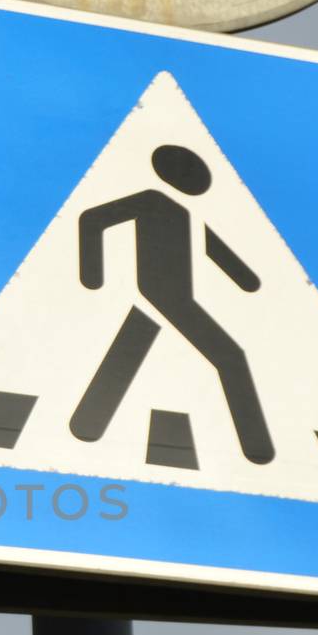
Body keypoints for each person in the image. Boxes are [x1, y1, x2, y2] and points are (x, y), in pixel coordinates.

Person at [74, 144, 274, 465]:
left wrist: (248, 281)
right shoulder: (151, 200)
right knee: (230, 358)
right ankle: (258, 448)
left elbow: (218, 253)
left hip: (170, 297)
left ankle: (84, 425)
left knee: (124, 356)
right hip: (162, 295)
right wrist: (92, 275)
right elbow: (94, 219)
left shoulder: (189, 216)